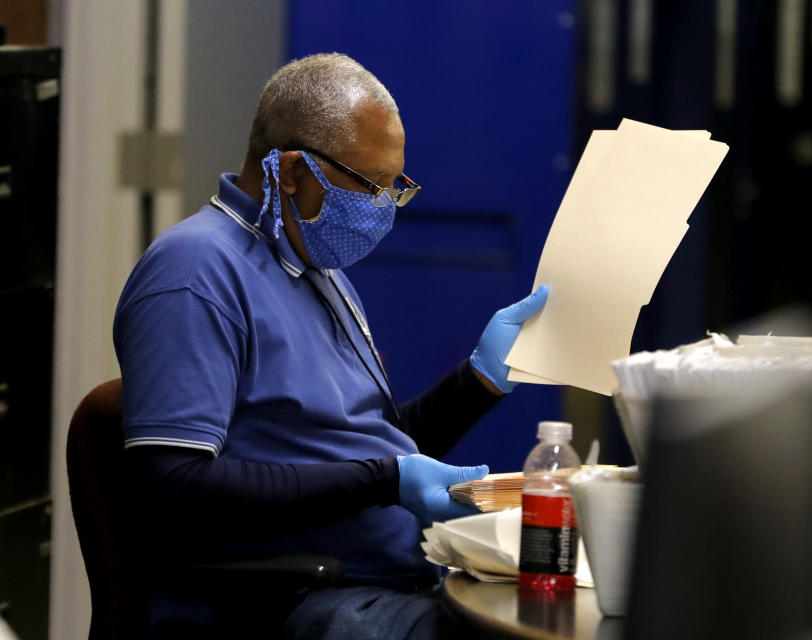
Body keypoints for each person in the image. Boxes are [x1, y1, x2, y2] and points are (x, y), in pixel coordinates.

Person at [114, 52, 548, 638]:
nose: (383, 210)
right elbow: (173, 485)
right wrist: (387, 480)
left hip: (393, 577)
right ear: (290, 173)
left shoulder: (313, 265)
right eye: (371, 187)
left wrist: (479, 382)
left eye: (397, 188)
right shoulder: (195, 272)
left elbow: (365, 447)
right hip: (295, 597)